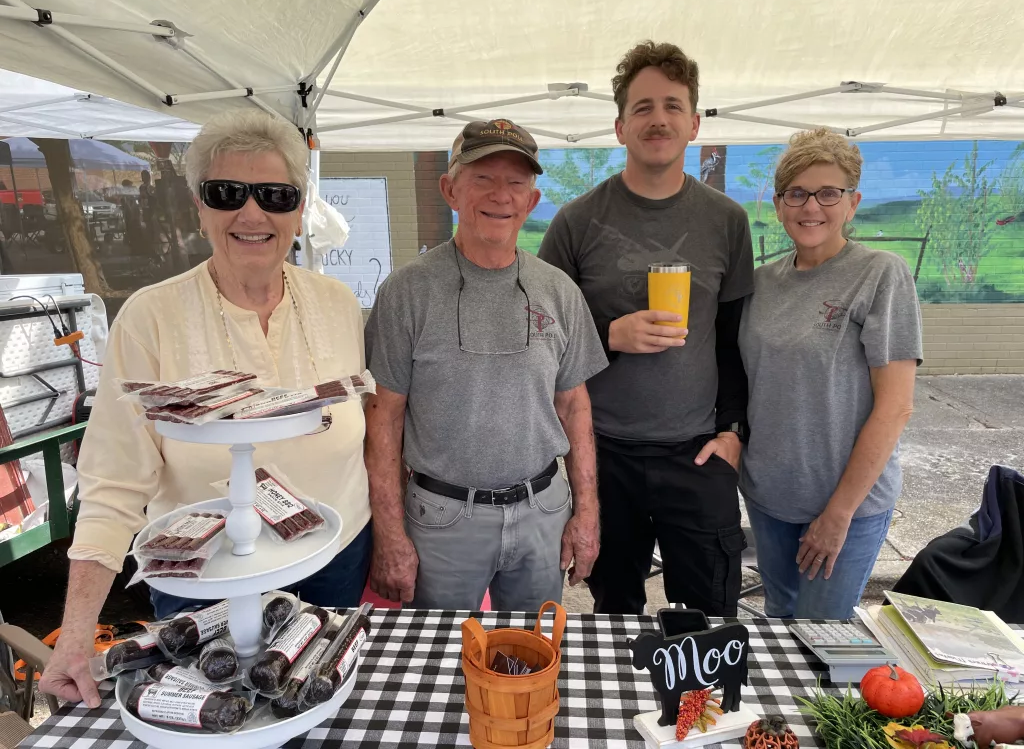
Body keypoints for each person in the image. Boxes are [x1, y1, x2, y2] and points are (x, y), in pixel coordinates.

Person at [39, 108, 371, 707]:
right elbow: (112, 482)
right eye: (227, 194)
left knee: (318, 713)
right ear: (199, 208)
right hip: (207, 576)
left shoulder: (338, 303)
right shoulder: (150, 317)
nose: (252, 213)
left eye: (275, 195)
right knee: (225, 722)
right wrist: (77, 631)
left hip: (334, 559)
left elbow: (367, 431)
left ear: (299, 209)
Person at [538, 41, 754, 617]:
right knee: (613, 614)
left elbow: (734, 339)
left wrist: (734, 431)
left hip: (700, 453)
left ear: (694, 124)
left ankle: (700, 711)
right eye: (643, 107)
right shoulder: (576, 222)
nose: (658, 118)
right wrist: (610, 334)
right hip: (605, 455)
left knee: (708, 620)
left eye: (673, 106)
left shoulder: (728, 221)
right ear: (619, 126)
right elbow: (542, 335)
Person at [364, 118, 608, 613]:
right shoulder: (406, 292)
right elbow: (383, 418)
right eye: (483, 177)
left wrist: (587, 514)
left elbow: (575, 407)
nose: (501, 194)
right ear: (450, 189)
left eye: (517, 182)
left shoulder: (559, 291)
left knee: (531, 658)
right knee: (439, 662)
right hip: (441, 518)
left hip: (542, 508)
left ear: (532, 201)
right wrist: (390, 535)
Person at [738, 128, 922, 620]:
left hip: (846, 505)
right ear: (778, 205)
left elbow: (896, 406)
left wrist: (839, 513)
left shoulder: (881, 274)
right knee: (780, 621)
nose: (810, 207)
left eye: (828, 193)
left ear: (852, 201)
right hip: (770, 496)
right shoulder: (761, 283)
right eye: (796, 193)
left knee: (821, 643)